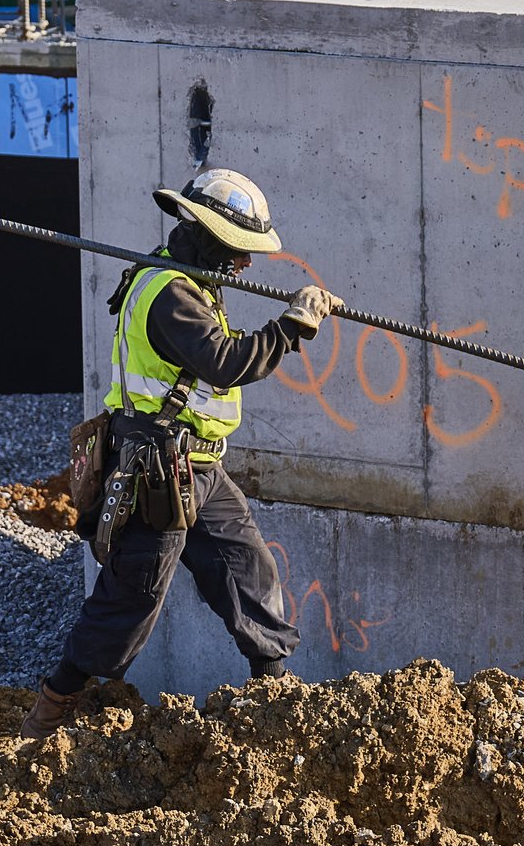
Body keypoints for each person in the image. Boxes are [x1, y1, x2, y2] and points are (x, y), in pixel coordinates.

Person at [21, 167, 339, 739]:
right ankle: (53, 705)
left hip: (197, 466)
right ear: (205, 235)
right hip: (154, 470)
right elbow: (224, 362)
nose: (245, 264)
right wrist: (290, 326)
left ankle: (276, 694)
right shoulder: (168, 294)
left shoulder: (187, 282)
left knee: (247, 569)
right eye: (238, 250)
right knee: (132, 599)